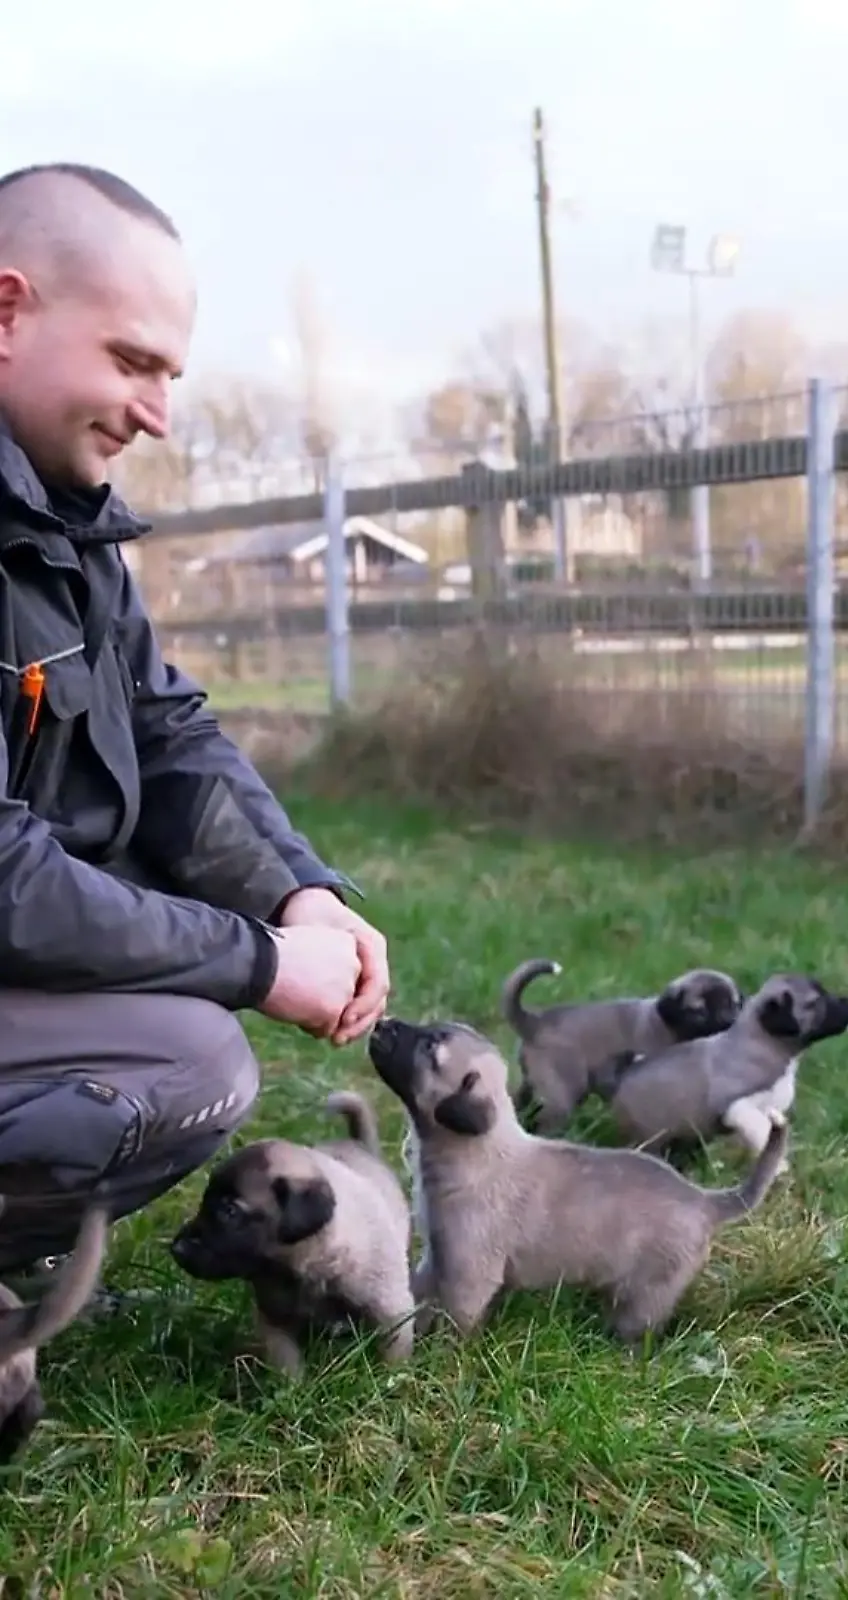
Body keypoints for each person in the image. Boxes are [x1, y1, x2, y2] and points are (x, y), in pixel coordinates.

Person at [0, 161, 390, 1283]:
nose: (158, 414)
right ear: (10, 309)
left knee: (180, 1023)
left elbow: (166, 732)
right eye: (130, 362)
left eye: (169, 374)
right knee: (184, 1058)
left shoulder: (61, 529)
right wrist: (261, 961)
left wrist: (295, 891)